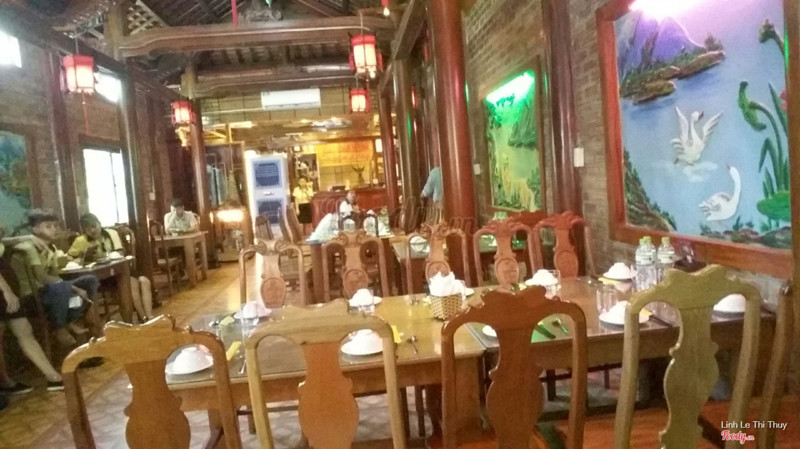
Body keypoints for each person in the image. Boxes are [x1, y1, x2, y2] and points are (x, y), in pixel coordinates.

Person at [9, 209, 103, 349]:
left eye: (55, 226)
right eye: (48, 226)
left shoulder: (51, 248)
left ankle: (69, 320)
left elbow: (55, 275)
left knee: (89, 280)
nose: (54, 229)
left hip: (50, 291)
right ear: (35, 229)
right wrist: (72, 288)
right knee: (63, 288)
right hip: (31, 296)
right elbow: (41, 276)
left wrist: (71, 288)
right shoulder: (29, 247)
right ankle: (60, 327)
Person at [0, 228, 64, 393]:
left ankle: (53, 377)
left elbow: (3, 241)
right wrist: (6, 291)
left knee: (24, 330)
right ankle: (6, 382)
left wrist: (26, 237)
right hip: (4, 291)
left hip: (9, 291)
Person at [68, 213, 153, 322]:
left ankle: (149, 317)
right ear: (84, 230)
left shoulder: (111, 233)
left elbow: (120, 252)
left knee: (145, 281)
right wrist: (79, 259)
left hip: (120, 269)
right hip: (102, 276)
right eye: (88, 229)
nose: (93, 230)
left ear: (99, 223)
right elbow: (69, 257)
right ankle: (143, 318)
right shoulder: (81, 241)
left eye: (94, 226)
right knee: (132, 284)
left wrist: (105, 256)